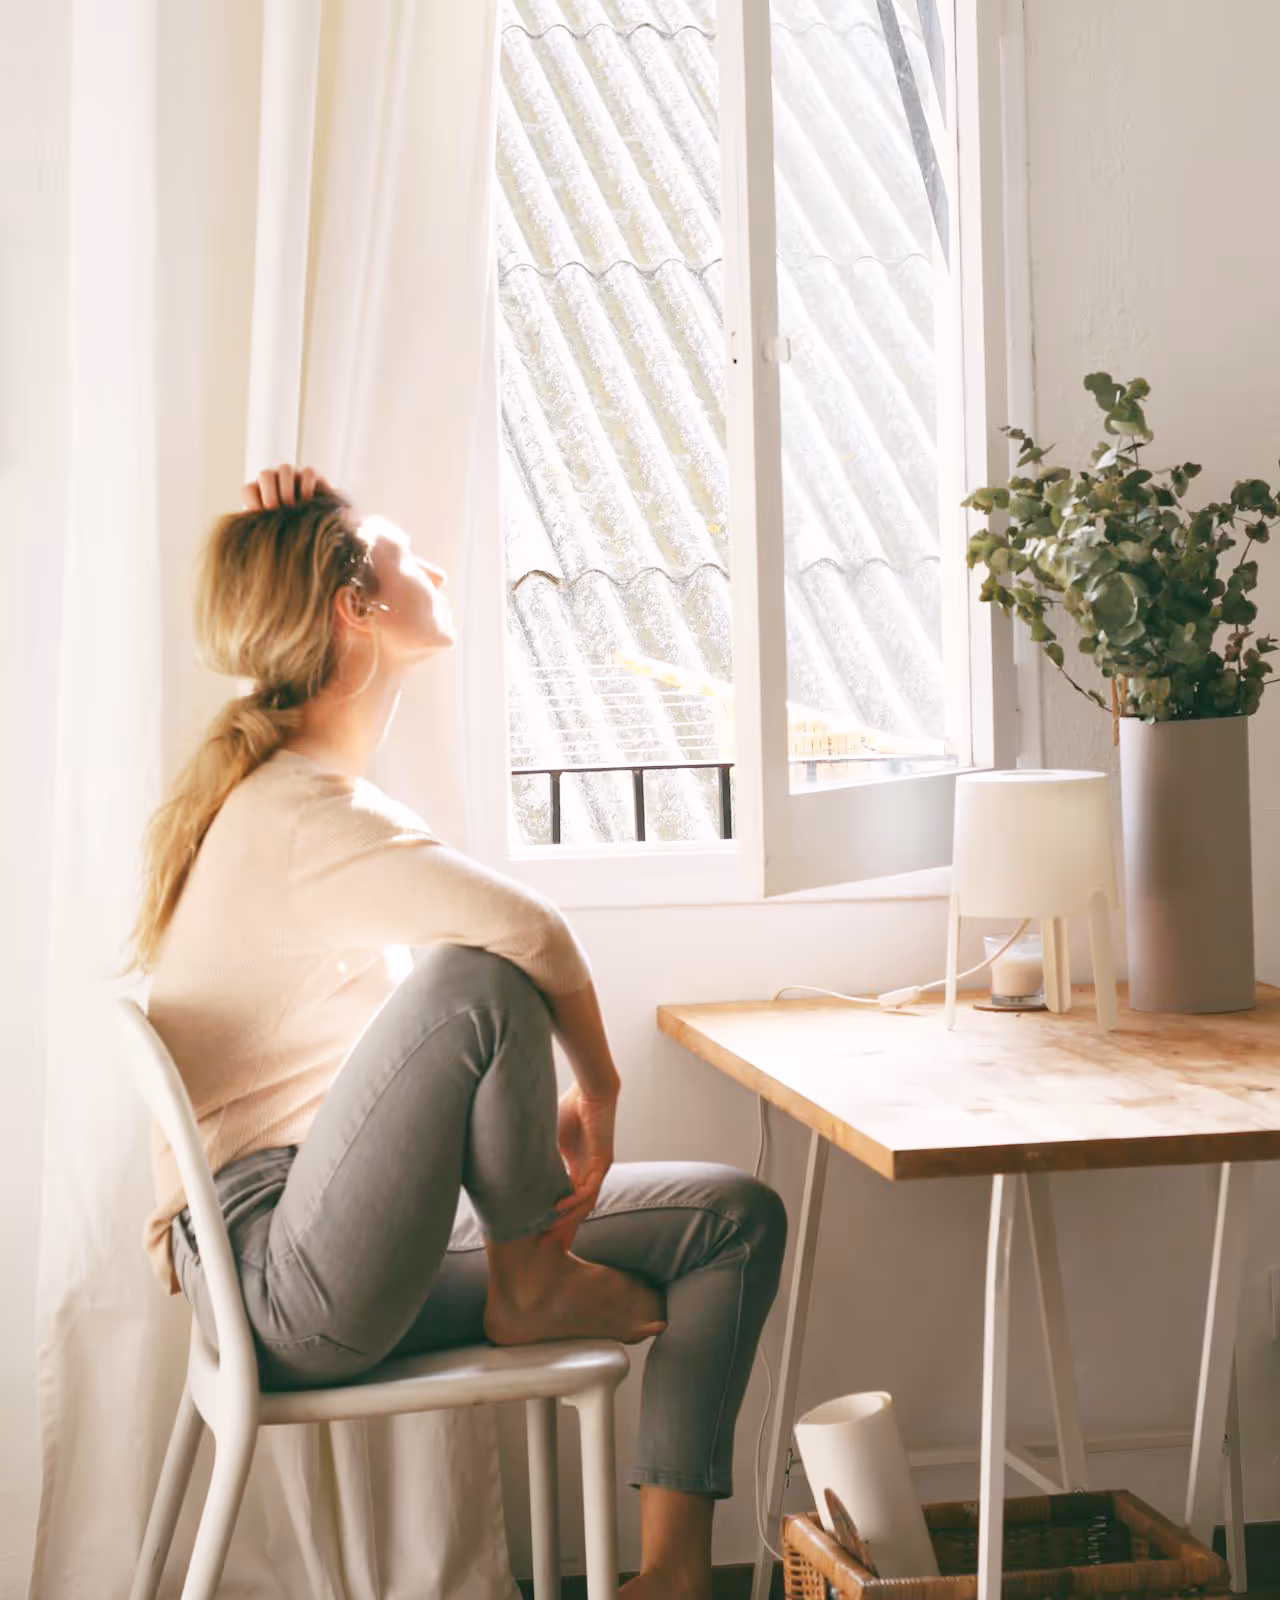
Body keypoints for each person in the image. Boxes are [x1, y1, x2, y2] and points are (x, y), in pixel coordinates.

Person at [124, 464, 788, 1600]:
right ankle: (529, 1272)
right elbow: (528, 930)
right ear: (354, 608)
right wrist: (602, 1091)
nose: (429, 566)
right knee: (478, 974)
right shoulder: (294, 811)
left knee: (731, 1220)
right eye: (396, 552)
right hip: (281, 1275)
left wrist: (325, 510)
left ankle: (671, 1578)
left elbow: (518, 941)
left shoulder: (305, 796)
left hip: (319, 1247)